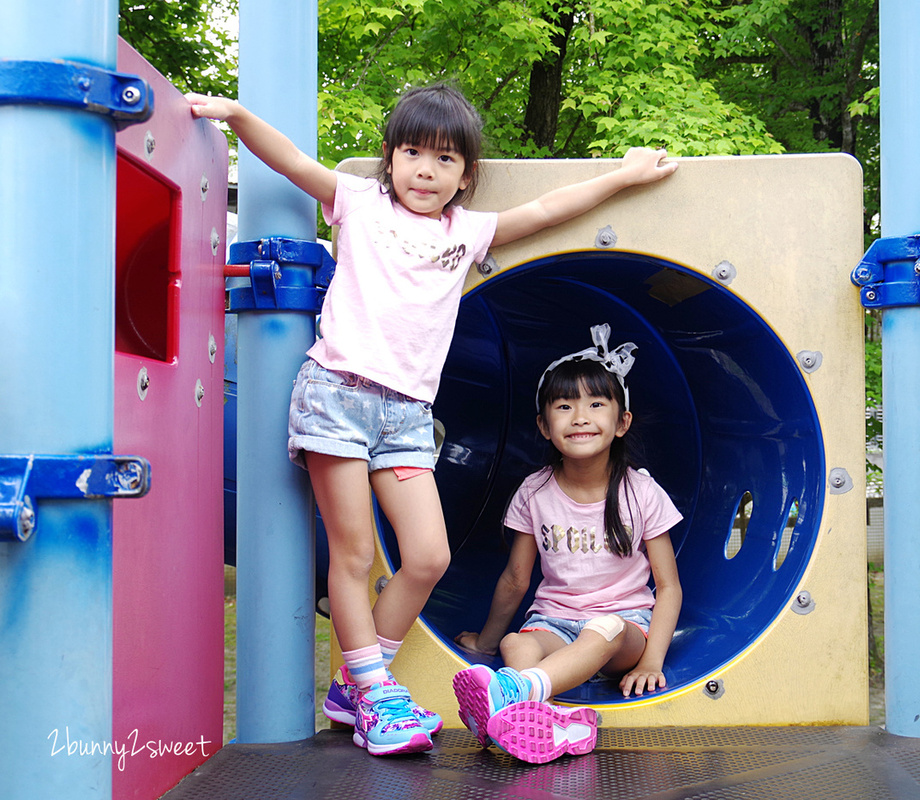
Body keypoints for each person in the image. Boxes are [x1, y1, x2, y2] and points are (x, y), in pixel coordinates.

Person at [186, 85, 678, 757]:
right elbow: (296, 161)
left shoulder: (466, 233)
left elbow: (544, 209)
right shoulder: (357, 204)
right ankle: (374, 692)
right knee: (356, 553)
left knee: (428, 555)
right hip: (337, 394)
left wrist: (622, 176)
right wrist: (239, 116)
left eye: (444, 159)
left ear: (465, 177)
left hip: (408, 414)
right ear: (388, 160)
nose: (425, 169)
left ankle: (354, 687)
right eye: (412, 153)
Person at [453, 324, 683, 764]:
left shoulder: (641, 492)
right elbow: (517, 578)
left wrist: (652, 661)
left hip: (624, 628)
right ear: (543, 425)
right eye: (564, 406)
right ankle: (555, 724)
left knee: (605, 628)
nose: (580, 416)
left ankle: (518, 694)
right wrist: (486, 641)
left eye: (597, 404)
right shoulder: (534, 491)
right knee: (514, 646)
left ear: (622, 422)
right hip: (555, 622)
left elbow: (668, 586)